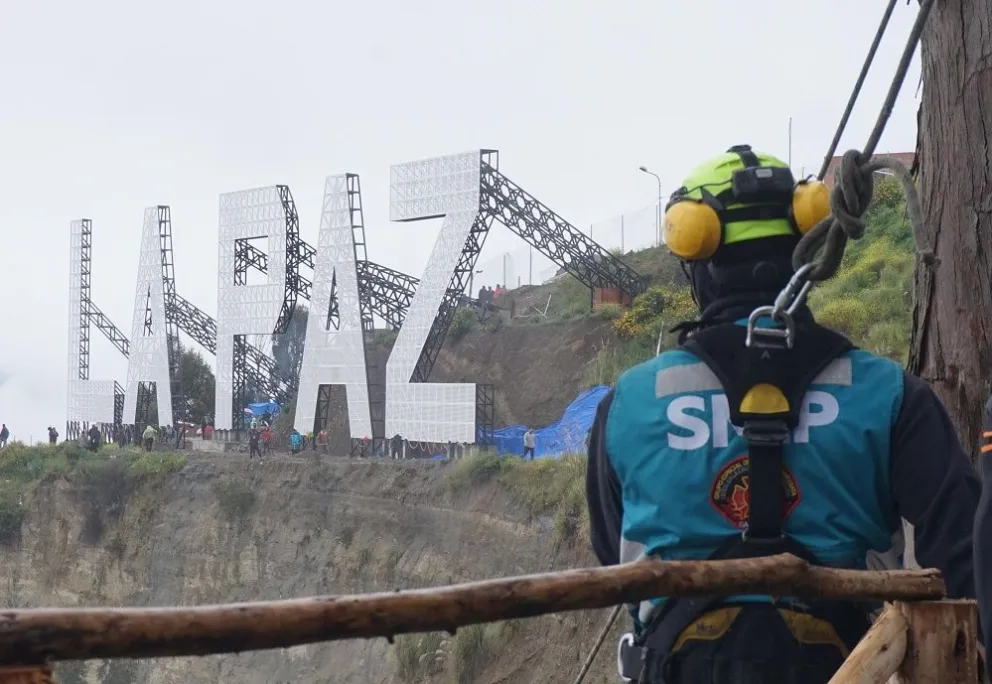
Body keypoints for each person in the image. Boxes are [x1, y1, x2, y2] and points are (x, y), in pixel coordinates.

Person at [586, 146, 981, 684]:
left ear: (700, 264)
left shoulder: (628, 403)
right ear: (808, 244)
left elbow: (613, 551)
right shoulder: (889, 394)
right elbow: (961, 559)